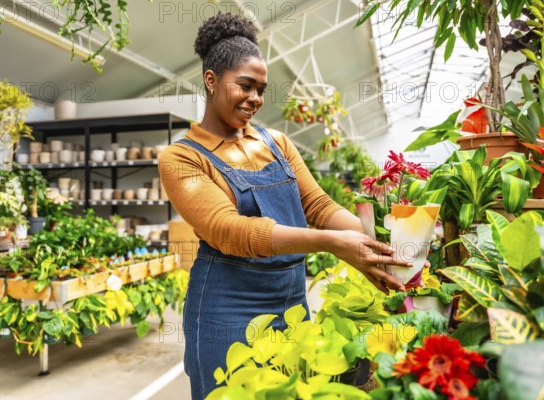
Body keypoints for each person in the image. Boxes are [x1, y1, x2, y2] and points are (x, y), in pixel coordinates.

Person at [158, 12, 411, 400]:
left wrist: (382, 241)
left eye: (261, 89)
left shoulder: (277, 142)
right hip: (228, 307)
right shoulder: (181, 158)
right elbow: (230, 231)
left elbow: (319, 206)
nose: (256, 99)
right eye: (246, 86)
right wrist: (330, 243)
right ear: (211, 80)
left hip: (291, 301)